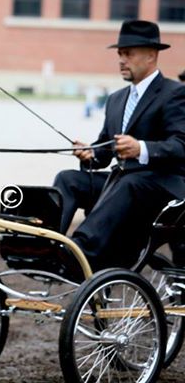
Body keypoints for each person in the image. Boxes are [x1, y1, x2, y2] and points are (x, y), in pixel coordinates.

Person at [53, 20, 185, 270]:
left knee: (129, 183)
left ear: (151, 55)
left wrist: (142, 148)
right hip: (123, 184)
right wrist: (89, 153)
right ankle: (52, 243)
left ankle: (81, 250)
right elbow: (104, 153)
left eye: (128, 54)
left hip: (163, 188)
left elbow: (181, 145)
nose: (122, 60)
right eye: (120, 54)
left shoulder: (175, 93)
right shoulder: (116, 100)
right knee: (68, 180)